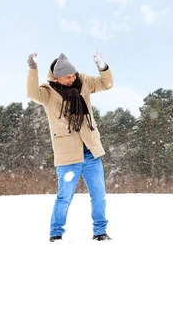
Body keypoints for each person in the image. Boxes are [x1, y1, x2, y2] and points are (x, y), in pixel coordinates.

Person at [26, 51, 114, 242]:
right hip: (68, 156)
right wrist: (33, 68)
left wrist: (103, 67)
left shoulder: (83, 82)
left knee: (99, 196)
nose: (72, 79)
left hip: (91, 152)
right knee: (64, 197)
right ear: (57, 77)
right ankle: (56, 233)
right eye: (68, 77)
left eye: (73, 74)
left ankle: (100, 232)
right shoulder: (48, 92)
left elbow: (107, 84)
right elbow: (32, 93)